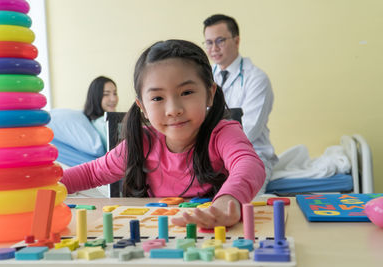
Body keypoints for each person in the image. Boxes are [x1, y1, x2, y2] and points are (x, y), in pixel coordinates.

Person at [61, 39, 265, 229]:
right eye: (158, 98)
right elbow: (91, 173)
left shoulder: (223, 133)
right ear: (142, 107)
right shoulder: (141, 142)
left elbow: (248, 165)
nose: (173, 109)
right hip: (159, 235)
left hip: (214, 234)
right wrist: (44, 186)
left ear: (210, 93)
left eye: (186, 93)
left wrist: (228, 201)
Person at [203, 14, 278, 193]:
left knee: (237, 200)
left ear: (236, 41)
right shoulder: (204, 78)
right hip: (212, 156)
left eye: (220, 40)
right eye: (209, 42)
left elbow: (250, 129)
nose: (214, 48)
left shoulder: (256, 78)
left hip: (251, 153)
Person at [83, 76, 119, 149]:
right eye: (106, 94)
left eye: (115, 93)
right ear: (96, 97)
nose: (113, 99)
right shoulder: (103, 123)